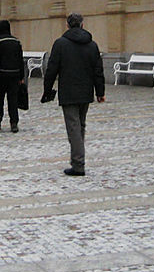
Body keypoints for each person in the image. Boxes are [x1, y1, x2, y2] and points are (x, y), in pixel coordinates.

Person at [42, 13, 106, 176]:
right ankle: (78, 158)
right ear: (82, 25)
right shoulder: (92, 45)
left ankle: (78, 164)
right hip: (85, 91)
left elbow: (52, 69)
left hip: (69, 91)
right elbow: (98, 70)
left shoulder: (60, 44)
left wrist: (47, 90)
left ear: (68, 25)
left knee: (73, 127)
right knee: (80, 125)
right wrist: (100, 92)